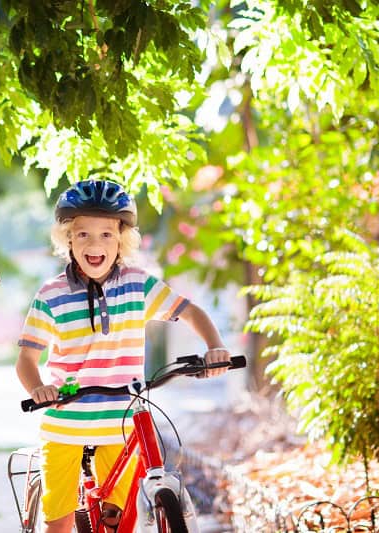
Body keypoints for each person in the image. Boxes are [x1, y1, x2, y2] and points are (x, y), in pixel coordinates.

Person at [15, 179, 231, 533]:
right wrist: (38, 388)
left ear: (121, 240)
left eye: (106, 234)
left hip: (121, 421)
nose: (94, 244)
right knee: (60, 522)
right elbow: (26, 358)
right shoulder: (51, 294)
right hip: (66, 423)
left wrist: (214, 346)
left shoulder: (137, 284)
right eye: (83, 234)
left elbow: (191, 312)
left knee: (118, 520)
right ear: (67, 239)